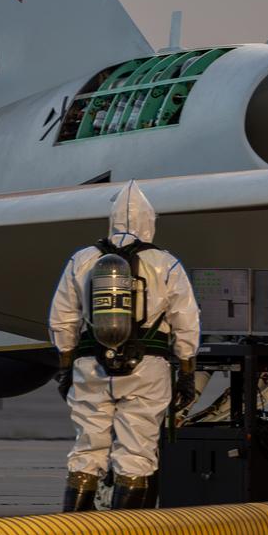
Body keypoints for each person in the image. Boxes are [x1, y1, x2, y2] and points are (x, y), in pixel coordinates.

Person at [48, 181, 201, 511]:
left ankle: (71, 534)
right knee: (137, 451)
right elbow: (186, 320)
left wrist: (65, 367)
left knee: (87, 448)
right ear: (150, 221)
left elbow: (62, 318)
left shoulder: (82, 259)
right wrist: (187, 369)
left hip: (90, 365)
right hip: (148, 367)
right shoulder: (165, 263)